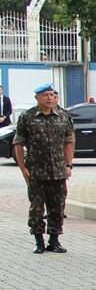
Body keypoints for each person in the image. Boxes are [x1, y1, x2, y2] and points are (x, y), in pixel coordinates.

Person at [14, 83, 74, 254]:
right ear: (37, 98)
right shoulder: (28, 117)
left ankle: (54, 241)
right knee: (37, 208)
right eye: (45, 95)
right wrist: (23, 168)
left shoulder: (63, 116)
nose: (49, 98)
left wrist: (69, 165)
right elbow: (19, 143)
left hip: (58, 171)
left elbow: (68, 142)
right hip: (36, 172)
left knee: (57, 207)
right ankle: (38, 241)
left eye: (52, 95)